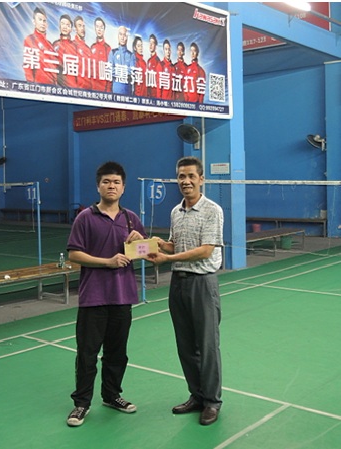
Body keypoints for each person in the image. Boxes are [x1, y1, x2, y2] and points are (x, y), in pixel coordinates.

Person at [66, 161, 147, 427]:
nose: (111, 186)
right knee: (87, 353)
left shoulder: (131, 218)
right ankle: (81, 403)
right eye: (106, 182)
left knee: (117, 352)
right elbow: (74, 254)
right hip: (94, 297)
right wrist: (107, 262)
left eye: (116, 182)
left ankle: (112, 396)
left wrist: (140, 243)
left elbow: (147, 253)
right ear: (98, 186)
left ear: (123, 188)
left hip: (123, 297)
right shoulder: (85, 218)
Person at [146, 156, 224, 426]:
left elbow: (205, 250)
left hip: (202, 284)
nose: (186, 181)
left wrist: (168, 258)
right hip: (178, 284)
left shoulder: (212, 210)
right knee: (185, 346)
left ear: (201, 179)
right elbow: (175, 245)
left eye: (191, 176)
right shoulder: (175, 212)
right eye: (181, 176)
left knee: (207, 346)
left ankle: (212, 402)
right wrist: (158, 244)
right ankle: (197, 395)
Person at [22, 6, 57, 85]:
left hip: (51, 87)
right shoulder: (30, 39)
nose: (42, 23)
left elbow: (53, 68)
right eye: (40, 20)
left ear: (47, 24)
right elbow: (28, 66)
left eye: (44, 21)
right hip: (37, 87)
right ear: (34, 21)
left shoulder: (49, 45)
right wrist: (31, 85)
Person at [52, 14, 79, 88]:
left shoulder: (75, 46)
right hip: (58, 87)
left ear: (71, 29)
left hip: (73, 88)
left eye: (67, 25)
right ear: (59, 26)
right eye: (63, 24)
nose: (65, 27)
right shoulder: (55, 44)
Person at [108, 26, 136, 95]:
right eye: (120, 34)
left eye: (124, 35)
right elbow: (110, 70)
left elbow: (131, 72)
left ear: (127, 37)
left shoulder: (131, 55)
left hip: (127, 91)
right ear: (118, 36)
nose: (122, 37)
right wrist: (123, 72)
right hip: (116, 90)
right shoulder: (113, 53)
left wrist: (119, 71)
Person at [90, 17, 111, 92]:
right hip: (92, 89)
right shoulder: (92, 47)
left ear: (104, 29)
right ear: (95, 28)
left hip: (104, 91)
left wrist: (108, 92)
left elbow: (110, 71)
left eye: (101, 27)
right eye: (97, 27)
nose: (99, 29)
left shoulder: (108, 48)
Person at [73, 15, 92, 90]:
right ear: (75, 29)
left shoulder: (88, 49)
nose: (82, 28)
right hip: (75, 91)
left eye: (83, 26)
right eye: (79, 26)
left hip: (88, 91)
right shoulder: (72, 45)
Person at [146, 33, 161, 98]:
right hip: (148, 94)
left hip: (154, 96)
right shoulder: (148, 60)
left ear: (155, 45)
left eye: (153, 43)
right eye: (150, 43)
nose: (151, 45)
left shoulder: (158, 61)